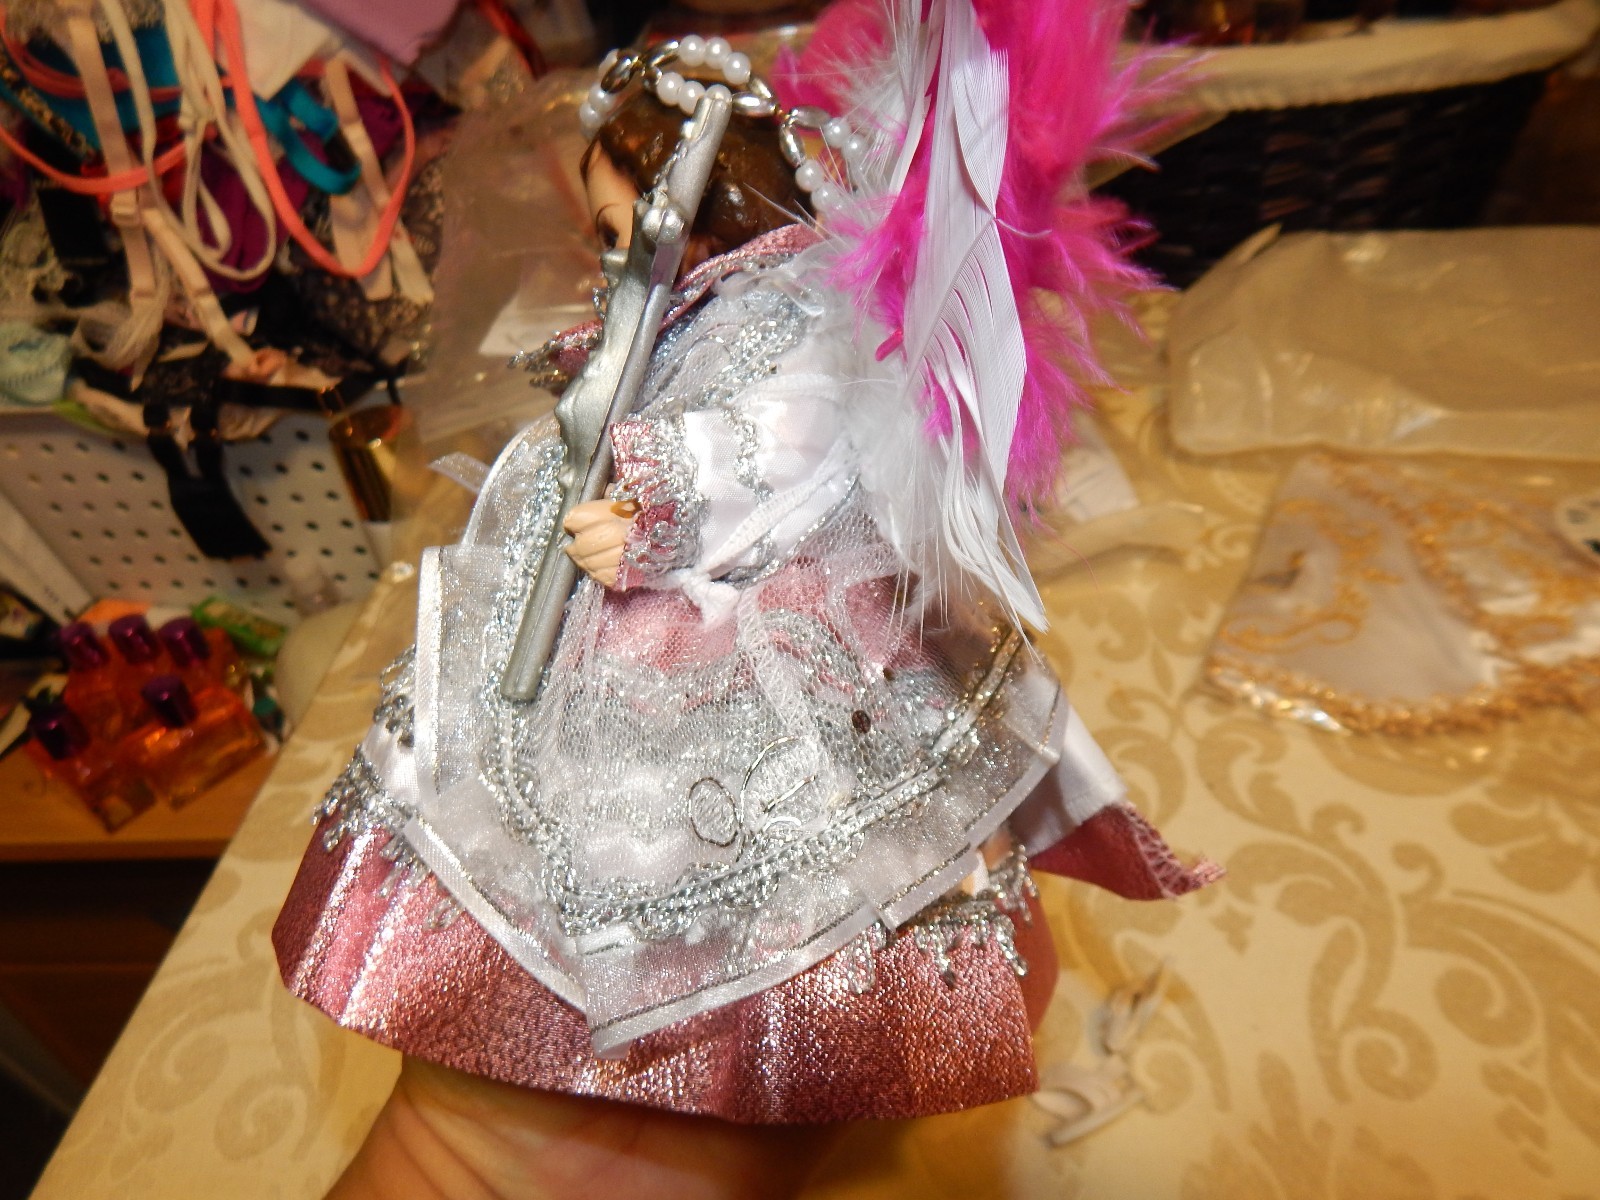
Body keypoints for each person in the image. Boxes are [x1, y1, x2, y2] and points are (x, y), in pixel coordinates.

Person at [276, 9, 1215, 1186]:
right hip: (649, 578)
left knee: (733, 810)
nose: (612, 256)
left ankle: (719, 1012)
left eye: (617, 227)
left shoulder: (791, 308)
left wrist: (657, 502)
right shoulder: (700, 300)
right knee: (570, 791)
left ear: (693, 202)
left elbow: (783, 441)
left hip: (742, 602)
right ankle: (605, 1030)